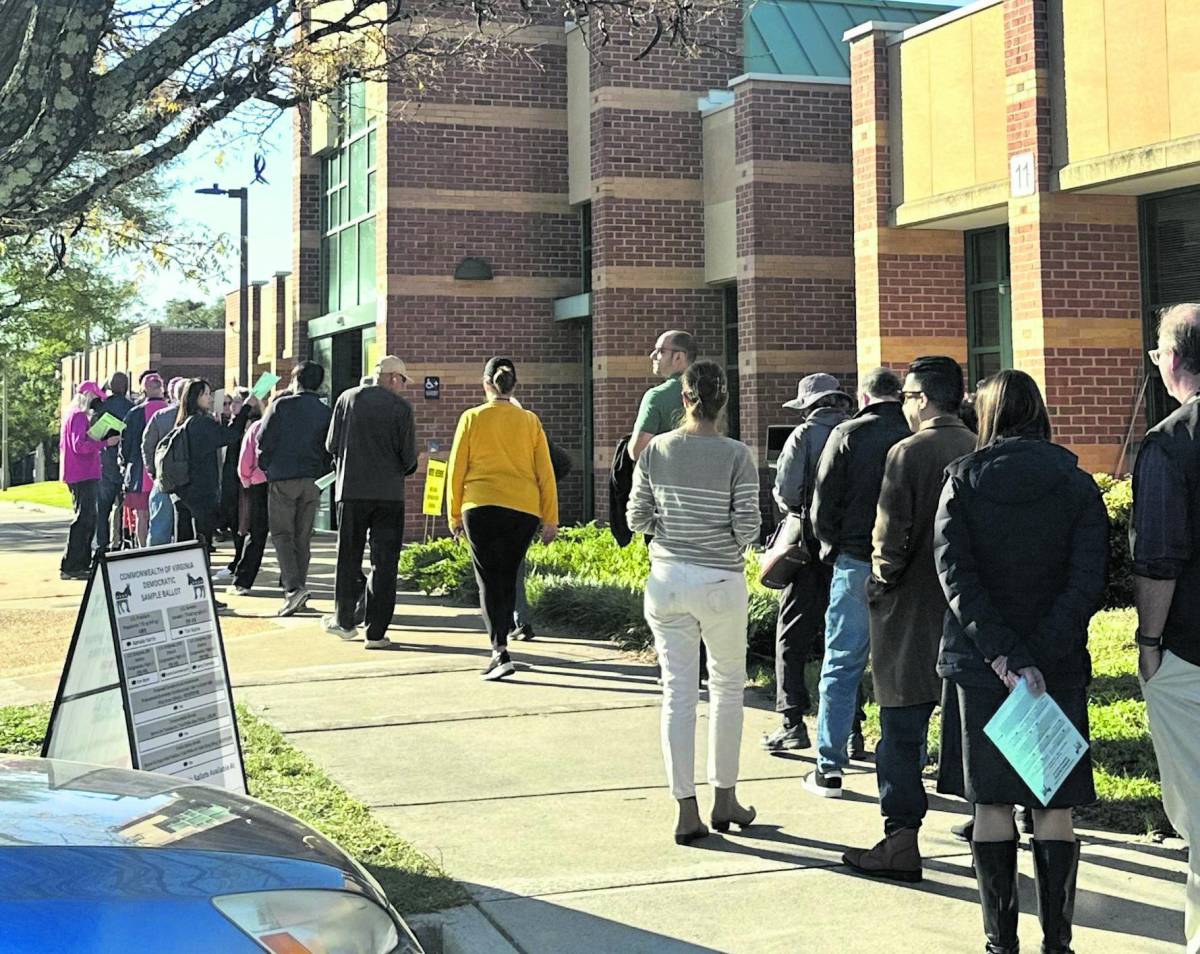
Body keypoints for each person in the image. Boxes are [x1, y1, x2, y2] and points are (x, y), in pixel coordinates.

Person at [935, 369, 1106, 954]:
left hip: (983, 668)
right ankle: (1057, 943)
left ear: (986, 417)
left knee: (990, 803)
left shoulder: (961, 481)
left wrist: (1005, 655)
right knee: (1053, 805)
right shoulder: (1078, 484)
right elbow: (1088, 582)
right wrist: (1039, 655)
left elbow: (956, 577)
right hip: (1053, 668)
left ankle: (999, 943)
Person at [841, 356, 975, 882]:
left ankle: (901, 841)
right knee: (973, 724)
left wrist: (878, 583)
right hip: (969, 614)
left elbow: (888, 540)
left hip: (910, 610)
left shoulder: (907, 452)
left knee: (900, 728)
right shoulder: (979, 447)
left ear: (920, 399)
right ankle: (991, 822)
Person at [627, 360, 761, 844]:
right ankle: (725, 797)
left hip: (666, 579)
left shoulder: (657, 450)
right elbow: (748, 525)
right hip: (721, 580)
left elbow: (637, 517)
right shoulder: (737, 455)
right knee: (727, 690)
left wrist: (672, 529)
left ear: (683, 399)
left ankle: (686, 808)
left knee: (677, 694)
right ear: (723, 402)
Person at [806, 367, 910, 797]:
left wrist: (831, 546)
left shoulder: (846, 434)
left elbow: (822, 504)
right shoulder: (912, 436)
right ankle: (907, 760)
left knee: (841, 664)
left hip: (853, 559)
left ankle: (829, 765)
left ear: (863, 397)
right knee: (901, 669)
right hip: (905, 566)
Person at [1132, 302, 1200, 951]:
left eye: (1157, 350)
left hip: (1190, 653)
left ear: (1172, 360)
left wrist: (1148, 644)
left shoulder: (1168, 442)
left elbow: (1158, 557)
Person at [447, 357, 558, 680]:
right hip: (523, 509)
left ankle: (499, 650)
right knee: (508, 576)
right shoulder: (530, 421)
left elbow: (457, 469)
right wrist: (550, 518)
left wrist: (454, 515)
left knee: (488, 580)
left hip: (480, 506)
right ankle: (504, 638)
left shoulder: (471, 418)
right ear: (514, 387)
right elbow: (545, 473)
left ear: (485, 384)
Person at [762, 373, 852, 752]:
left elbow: (787, 492)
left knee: (792, 635)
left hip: (807, 549)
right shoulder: (855, 432)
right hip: (850, 551)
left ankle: (792, 721)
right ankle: (852, 731)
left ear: (809, 406)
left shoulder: (802, 436)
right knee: (847, 641)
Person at [323, 356, 418, 648]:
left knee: (347, 557)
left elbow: (331, 445)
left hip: (350, 491)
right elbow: (409, 460)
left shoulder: (347, 399)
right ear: (392, 378)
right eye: (402, 380)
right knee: (385, 562)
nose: (403, 387)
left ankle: (344, 620)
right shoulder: (401, 408)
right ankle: (376, 632)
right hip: (389, 495)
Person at [257, 361, 333, 617]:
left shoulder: (281, 405)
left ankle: (293, 588)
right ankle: (298, 586)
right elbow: (331, 447)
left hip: (283, 477)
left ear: (296, 380)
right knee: (303, 537)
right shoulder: (326, 412)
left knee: (282, 535)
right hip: (312, 479)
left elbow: (263, 438)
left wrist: (265, 464)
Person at [171, 380, 255, 585]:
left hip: (186, 490)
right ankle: (202, 591)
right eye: (206, 394)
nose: (210, 398)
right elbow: (231, 436)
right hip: (201, 492)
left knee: (190, 544)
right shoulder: (201, 423)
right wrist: (245, 409)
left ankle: (191, 589)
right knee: (202, 545)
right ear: (196, 397)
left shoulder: (187, 421)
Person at [59, 381, 116, 579]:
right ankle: (73, 564)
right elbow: (79, 446)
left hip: (79, 472)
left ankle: (79, 563)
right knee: (84, 519)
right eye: (95, 398)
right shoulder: (79, 416)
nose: (97, 402)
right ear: (87, 396)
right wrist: (103, 442)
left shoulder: (71, 415)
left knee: (86, 518)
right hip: (83, 473)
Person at [628, 330, 696, 462]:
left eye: (661, 351)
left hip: (668, 477)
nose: (652, 356)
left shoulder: (657, 396)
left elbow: (637, 451)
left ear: (679, 357)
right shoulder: (713, 390)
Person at [119, 373, 166, 547]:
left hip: (140, 472)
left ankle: (143, 551)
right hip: (166, 472)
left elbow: (125, 445)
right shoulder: (172, 411)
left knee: (142, 516)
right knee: (164, 515)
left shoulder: (134, 414)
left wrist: (124, 465)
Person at [229, 397, 269, 596]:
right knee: (290, 535)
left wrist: (247, 480)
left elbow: (245, 461)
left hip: (258, 484)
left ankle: (243, 580)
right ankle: (291, 581)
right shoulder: (293, 429)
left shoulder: (257, 427)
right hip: (285, 483)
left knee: (256, 533)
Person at [214, 387, 251, 582]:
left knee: (241, 524)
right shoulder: (223, 426)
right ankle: (238, 560)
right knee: (234, 523)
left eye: (234, 402)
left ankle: (239, 561)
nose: (229, 406)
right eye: (227, 403)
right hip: (226, 484)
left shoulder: (245, 428)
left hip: (240, 484)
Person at [143, 377, 185, 546]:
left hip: (163, 478)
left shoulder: (160, 417)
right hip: (189, 481)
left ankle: (155, 564)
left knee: (160, 528)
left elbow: (147, 446)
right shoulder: (202, 418)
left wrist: (153, 471)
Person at [94, 373, 133, 552]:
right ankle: (120, 542)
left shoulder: (101, 408)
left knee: (103, 509)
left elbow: (93, 436)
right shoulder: (132, 409)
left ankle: (102, 545)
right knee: (123, 507)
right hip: (124, 464)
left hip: (104, 463)